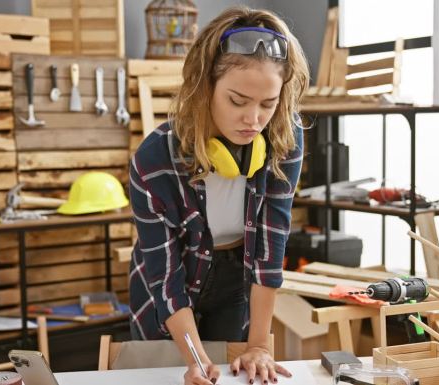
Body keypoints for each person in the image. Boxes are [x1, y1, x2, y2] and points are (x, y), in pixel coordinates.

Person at [128, 6, 309, 385]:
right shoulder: (154, 158)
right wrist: (194, 358)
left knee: (238, 374)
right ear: (204, 87)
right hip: (172, 277)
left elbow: (269, 247)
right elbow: (164, 279)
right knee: (167, 376)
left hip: (235, 276)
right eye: (238, 101)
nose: (254, 120)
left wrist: (259, 344)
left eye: (268, 104)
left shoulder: (283, 137)